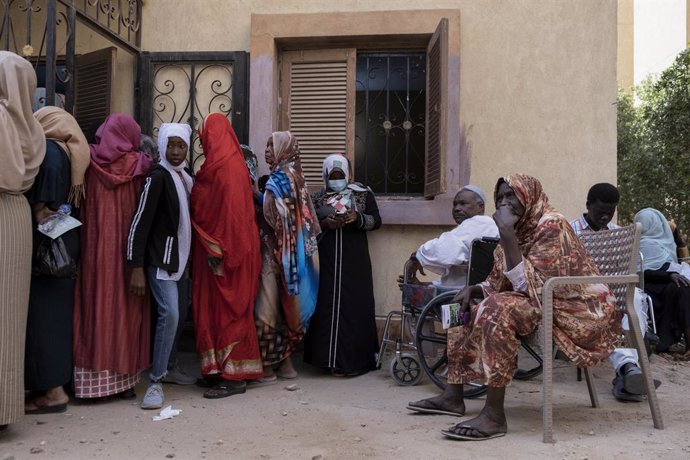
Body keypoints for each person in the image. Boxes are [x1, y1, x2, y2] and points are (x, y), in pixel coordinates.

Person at [407, 174, 619, 441]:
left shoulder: (552, 225)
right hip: (539, 298)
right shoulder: (519, 228)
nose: (505, 203)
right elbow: (499, 280)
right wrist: (475, 289)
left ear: (529, 196)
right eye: (501, 198)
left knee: (497, 308)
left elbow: (533, 286)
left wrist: (507, 235)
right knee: (458, 306)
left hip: (576, 307)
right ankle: (453, 394)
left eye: (512, 196)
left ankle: (494, 416)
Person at [72, 113, 153, 400]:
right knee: (126, 313)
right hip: (129, 259)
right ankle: (123, 383)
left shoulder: (86, 163)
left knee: (95, 308)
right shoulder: (140, 167)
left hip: (95, 255)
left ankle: (91, 386)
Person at [191, 113, 263, 398]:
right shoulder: (222, 165)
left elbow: (231, 217)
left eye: (203, 137)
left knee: (228, 314)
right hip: (218, 253)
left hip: (225, 255)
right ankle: (217, 371)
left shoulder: (225, 168)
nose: (202, 142)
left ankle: (234, 376)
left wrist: (219, 250)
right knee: (212, 313)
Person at [24, 107, 89, 414]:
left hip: (47, 247)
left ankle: (52, 392)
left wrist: (36, 206)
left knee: (43, 319)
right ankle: (54, 386)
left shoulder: (49, 152)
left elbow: (43, 204)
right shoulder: (73, 152)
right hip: (65, 243)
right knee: (57, 319)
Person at [126, 123, 195, 409]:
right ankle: (155, 380)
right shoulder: (158, 177)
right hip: (161, 261)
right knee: (171, 314)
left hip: (180, 262)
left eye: (182, 146)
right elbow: (139, 223)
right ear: (163, 146)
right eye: (171, 145)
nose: (176, 151)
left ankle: (170, 365)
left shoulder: (184, 179)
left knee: (179, 316)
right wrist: (136, 266)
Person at [570, 183, 653, 402]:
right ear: (588, 205)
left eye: (611, 211)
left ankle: (627, 371)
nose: (606, 216)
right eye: (600, 211)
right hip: (580, 296)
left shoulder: (619, 235)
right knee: (609, 305)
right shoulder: (569, 231)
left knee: (634, 298)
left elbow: (628, 272)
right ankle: (628, 370)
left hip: (613, 293)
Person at [0, 51, 46, 432]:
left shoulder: (2, 119)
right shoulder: (30, 126)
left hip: (5, 209)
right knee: (10, 318)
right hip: (15, 215)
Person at [303, 154, 381, 376]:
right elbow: (308, 225)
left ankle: (353, 362)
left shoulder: (363, 194)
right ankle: (325, 360)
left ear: (348, 174)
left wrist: (356, 219)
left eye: (340, 175)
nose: (337, 179)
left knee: (354, 305)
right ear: (325, 175)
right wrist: (325, 223)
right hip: (326, 261)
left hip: (354, 262)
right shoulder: (316, 197)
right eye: (333, 176)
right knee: (325, 304)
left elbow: (376, 220)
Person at [253, 131, 320, 383]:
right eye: (267, 145)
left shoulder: (281, 178)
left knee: (266, 309)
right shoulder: (297, 176)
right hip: (297, 255)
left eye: (273, 145)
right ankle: (286, 365)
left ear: (284, 149)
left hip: (280, 254)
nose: (268, 150)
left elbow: (275, 214)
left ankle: (268, 366)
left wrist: (256, 197)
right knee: (285, 307)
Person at [403, 185, 499, 289]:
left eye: (463, 204)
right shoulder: (470, 229)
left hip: (467, 296)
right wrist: (421, 285)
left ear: (481, 207)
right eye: (455, 204)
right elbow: (455, 279)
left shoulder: (481, 223)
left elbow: (443, 250)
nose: (457, 208)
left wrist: (416, 257)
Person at [634, 208, 690, 359]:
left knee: (682, 288)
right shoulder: (636, 244)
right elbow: (641, 273)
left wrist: (673, 276)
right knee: (680, 288)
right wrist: (669, 276)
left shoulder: (667, 242)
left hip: (667, 283)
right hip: (647, 286)